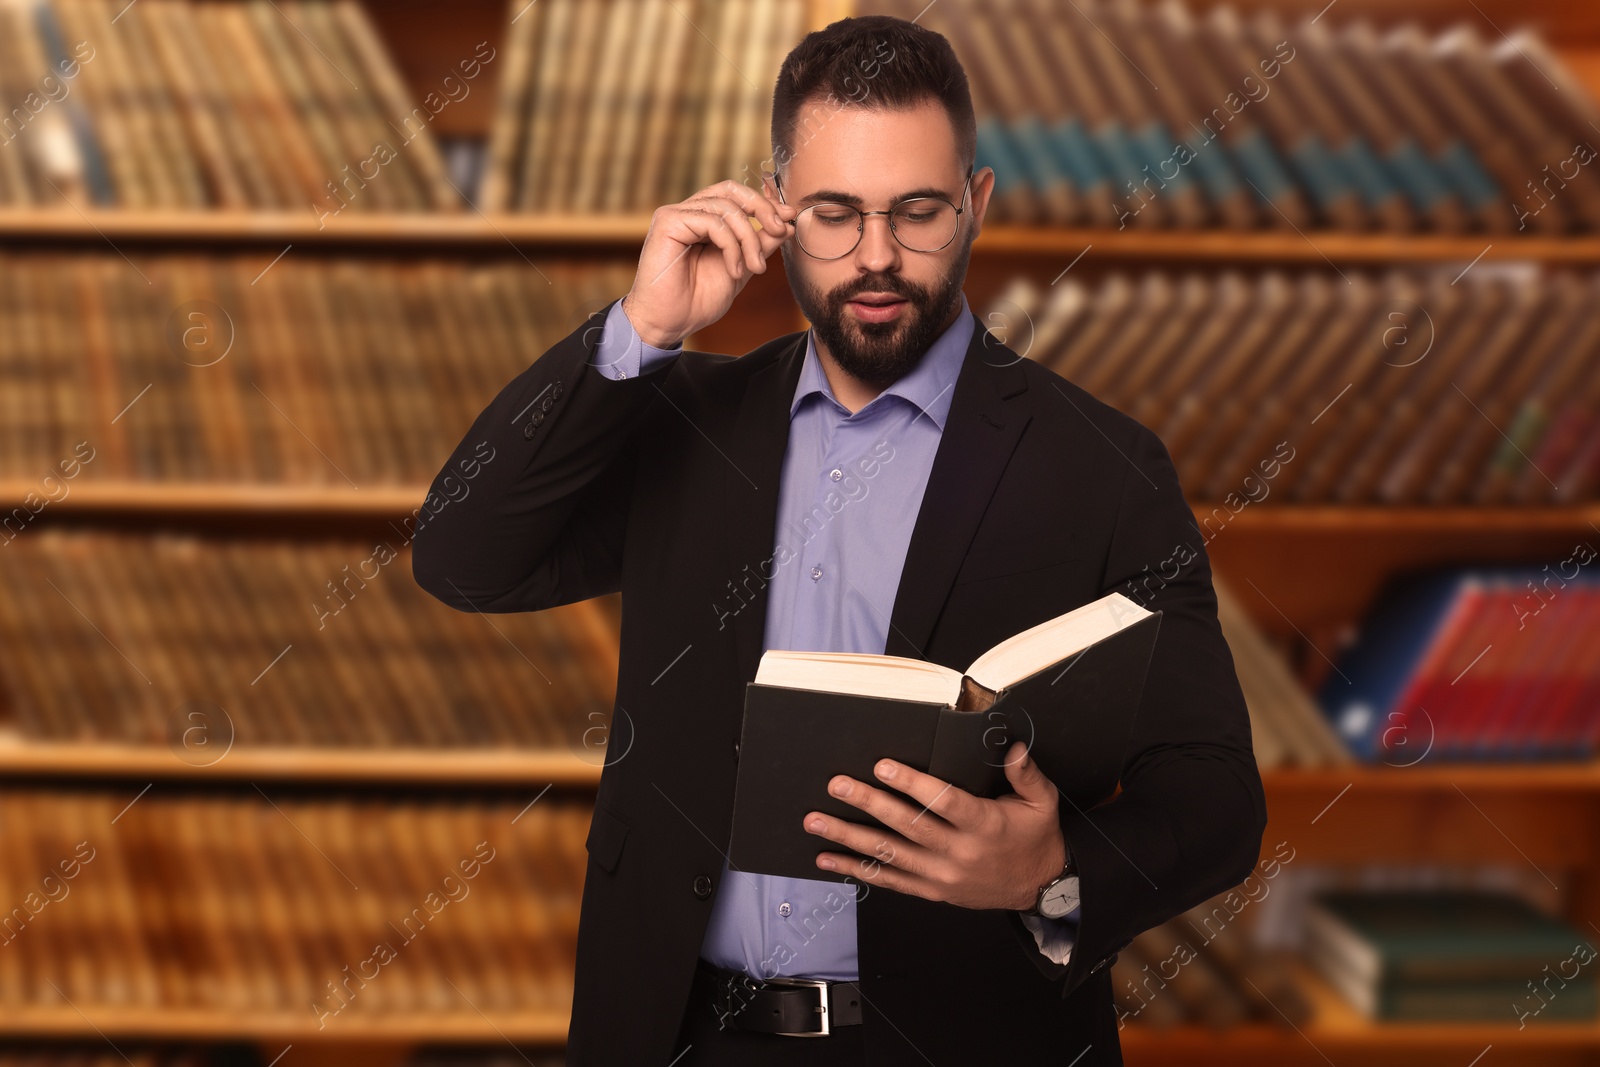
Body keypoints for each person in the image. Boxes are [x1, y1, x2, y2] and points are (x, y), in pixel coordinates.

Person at [412, 14, 1266, 1066]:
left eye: (916, 212)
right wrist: (641, 327)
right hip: (677, 1035)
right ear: (777, 211)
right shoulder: (683, 421)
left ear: (976, 206)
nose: (875, 256)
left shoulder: (1103, 463)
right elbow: (462, 553)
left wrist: (1051, 870)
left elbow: (1218, 795)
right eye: (833, 212)